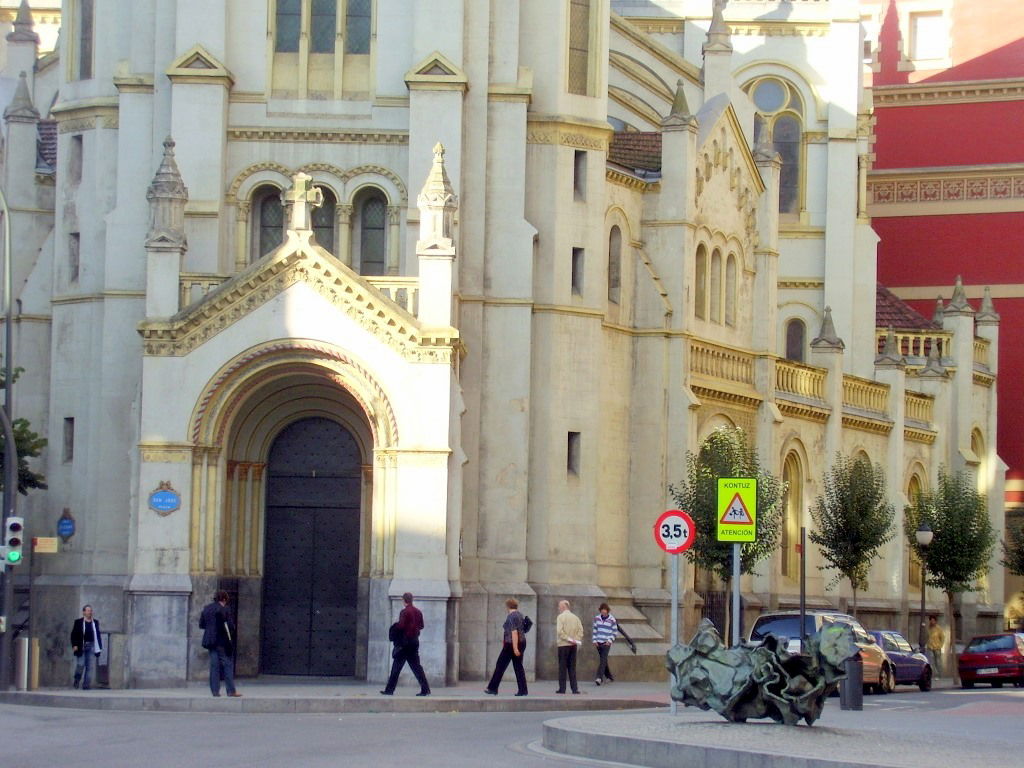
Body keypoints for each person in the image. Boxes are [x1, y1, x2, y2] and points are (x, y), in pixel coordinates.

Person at [380, 592, 431, 696]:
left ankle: (389, 690)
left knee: (396, 667)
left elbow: (401, 626)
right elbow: (421, 626)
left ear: (404, 600)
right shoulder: (418, 612)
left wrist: (395, 627)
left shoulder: (404, 612)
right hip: (414, 642)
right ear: (411, 600)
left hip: (404, 643)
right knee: (417, 667)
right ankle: (425, 689)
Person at [199, 590, 241, 697]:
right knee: (227, 665)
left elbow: (202, 625)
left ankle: (215, 691)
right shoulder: (224, 609)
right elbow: (230, 626)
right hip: (222, 641)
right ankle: (231, 690)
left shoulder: (207, 608)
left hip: (209, 641)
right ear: (224, 599)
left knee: (214, 666)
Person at [484, 597, 528, 696]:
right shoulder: (520, 615)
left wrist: (515, 648)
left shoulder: (511, 616)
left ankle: (493, 688)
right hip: (522, 642)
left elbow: (514, 632)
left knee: (500, 665)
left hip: (511, 645)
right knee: (518, 667)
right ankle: (523, 690)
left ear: (508, 606)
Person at [592, 603, 635, 684]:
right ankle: (609, 677)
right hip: (598, 641)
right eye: (602, 612)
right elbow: (595, 629)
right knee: (603, 660)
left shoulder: (612, 619)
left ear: (607, 611)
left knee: (603, 660)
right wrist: (594, 640)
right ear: (600, 611)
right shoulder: (597, 618)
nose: (603, 613)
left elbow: (615, 632)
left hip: (606, 642)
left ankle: (599, 678)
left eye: (605, 612)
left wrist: (609, 641)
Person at [70, 605, 103, 690]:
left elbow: (97, 634)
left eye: (91, 611)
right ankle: (77, 679)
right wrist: (74, 645)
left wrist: (99, 646)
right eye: (88, 611)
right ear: (84, 612)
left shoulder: (95, 622)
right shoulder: (78, 622)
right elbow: (74, 634)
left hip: (91, 645)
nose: (90, 612)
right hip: (82, 645)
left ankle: (86, 685)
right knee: (80, 664)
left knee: (90, 666)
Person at [555, 599, 583, 694]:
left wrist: (567, 638)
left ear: (563, 607)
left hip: (563, 645)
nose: (558, 608)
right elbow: (581, 631)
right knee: (572, 667)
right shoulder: (576, 618)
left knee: (562, 667)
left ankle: (562, 688)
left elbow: (559, 631)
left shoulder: (560, 617)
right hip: (573, 645)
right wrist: (575, 639)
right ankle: (574, 689)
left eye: (559, 606)